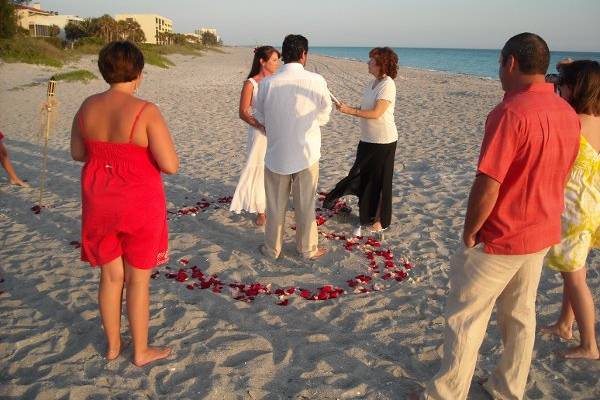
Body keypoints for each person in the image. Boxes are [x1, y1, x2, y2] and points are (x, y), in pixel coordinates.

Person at [418, 33, 580, 400]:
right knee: (520, 316)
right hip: (542, 229)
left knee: (465, 317)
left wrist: (470, 229)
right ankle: (508, 388)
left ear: (510, 63)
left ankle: (447, 393)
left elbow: (489, 181)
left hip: (503, 234)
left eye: (500, 64)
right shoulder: (566, 112)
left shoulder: (511, 112)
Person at [70, 41, 178, 367]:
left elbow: (78, 153)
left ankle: (113, 346)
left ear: (104, 70)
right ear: (138, 74)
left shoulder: (87, 106)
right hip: (139, 204)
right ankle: (141, 351)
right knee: (138, 280)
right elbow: (170, 164)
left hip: (98, 201)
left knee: (110, 276)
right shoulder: (146, 111)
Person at [254, 34, 332, 260]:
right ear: (304, 55)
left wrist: (280, 126)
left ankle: (272, 249)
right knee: (305, 204)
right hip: (306, 152)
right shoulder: (317, 80)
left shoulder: (267, 83)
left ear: (284, 55)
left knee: (275, 206)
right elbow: (325, 114)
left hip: (277, 152)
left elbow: (260, 115)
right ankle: (307, 249)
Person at [542, 60, 600, 360]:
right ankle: (565, 324)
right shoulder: (597, 119)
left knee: (575, 276)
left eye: (563, 82)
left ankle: (589, 344)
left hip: (573, 209)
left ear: (576, 88)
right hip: (591, 206)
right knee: (574, 269)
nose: (559, 86)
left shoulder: (572, 120)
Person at [323, 47, 399, 234]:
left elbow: (376, 113)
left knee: (381, 181)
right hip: (367, 139)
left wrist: (350, 111)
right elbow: (365, 108)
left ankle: (381, 221)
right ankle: (368, 214)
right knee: (363, 176)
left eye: (371, 60)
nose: (368, 63)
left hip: (383, 141)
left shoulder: (387, 85)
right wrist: (347, 107)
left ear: (381, 64)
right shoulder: (372, 83)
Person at [230, 46, 280, 226]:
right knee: (259, 168)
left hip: (277, 129)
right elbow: (243, 112)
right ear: (262, 61)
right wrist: (259, 125)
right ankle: (261, 210)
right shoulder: (251, 83)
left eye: (278, 60)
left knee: (275, 168)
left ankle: (274, 205)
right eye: (274, 60)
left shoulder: (277, 81)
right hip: (259, 131)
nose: (277, 63)